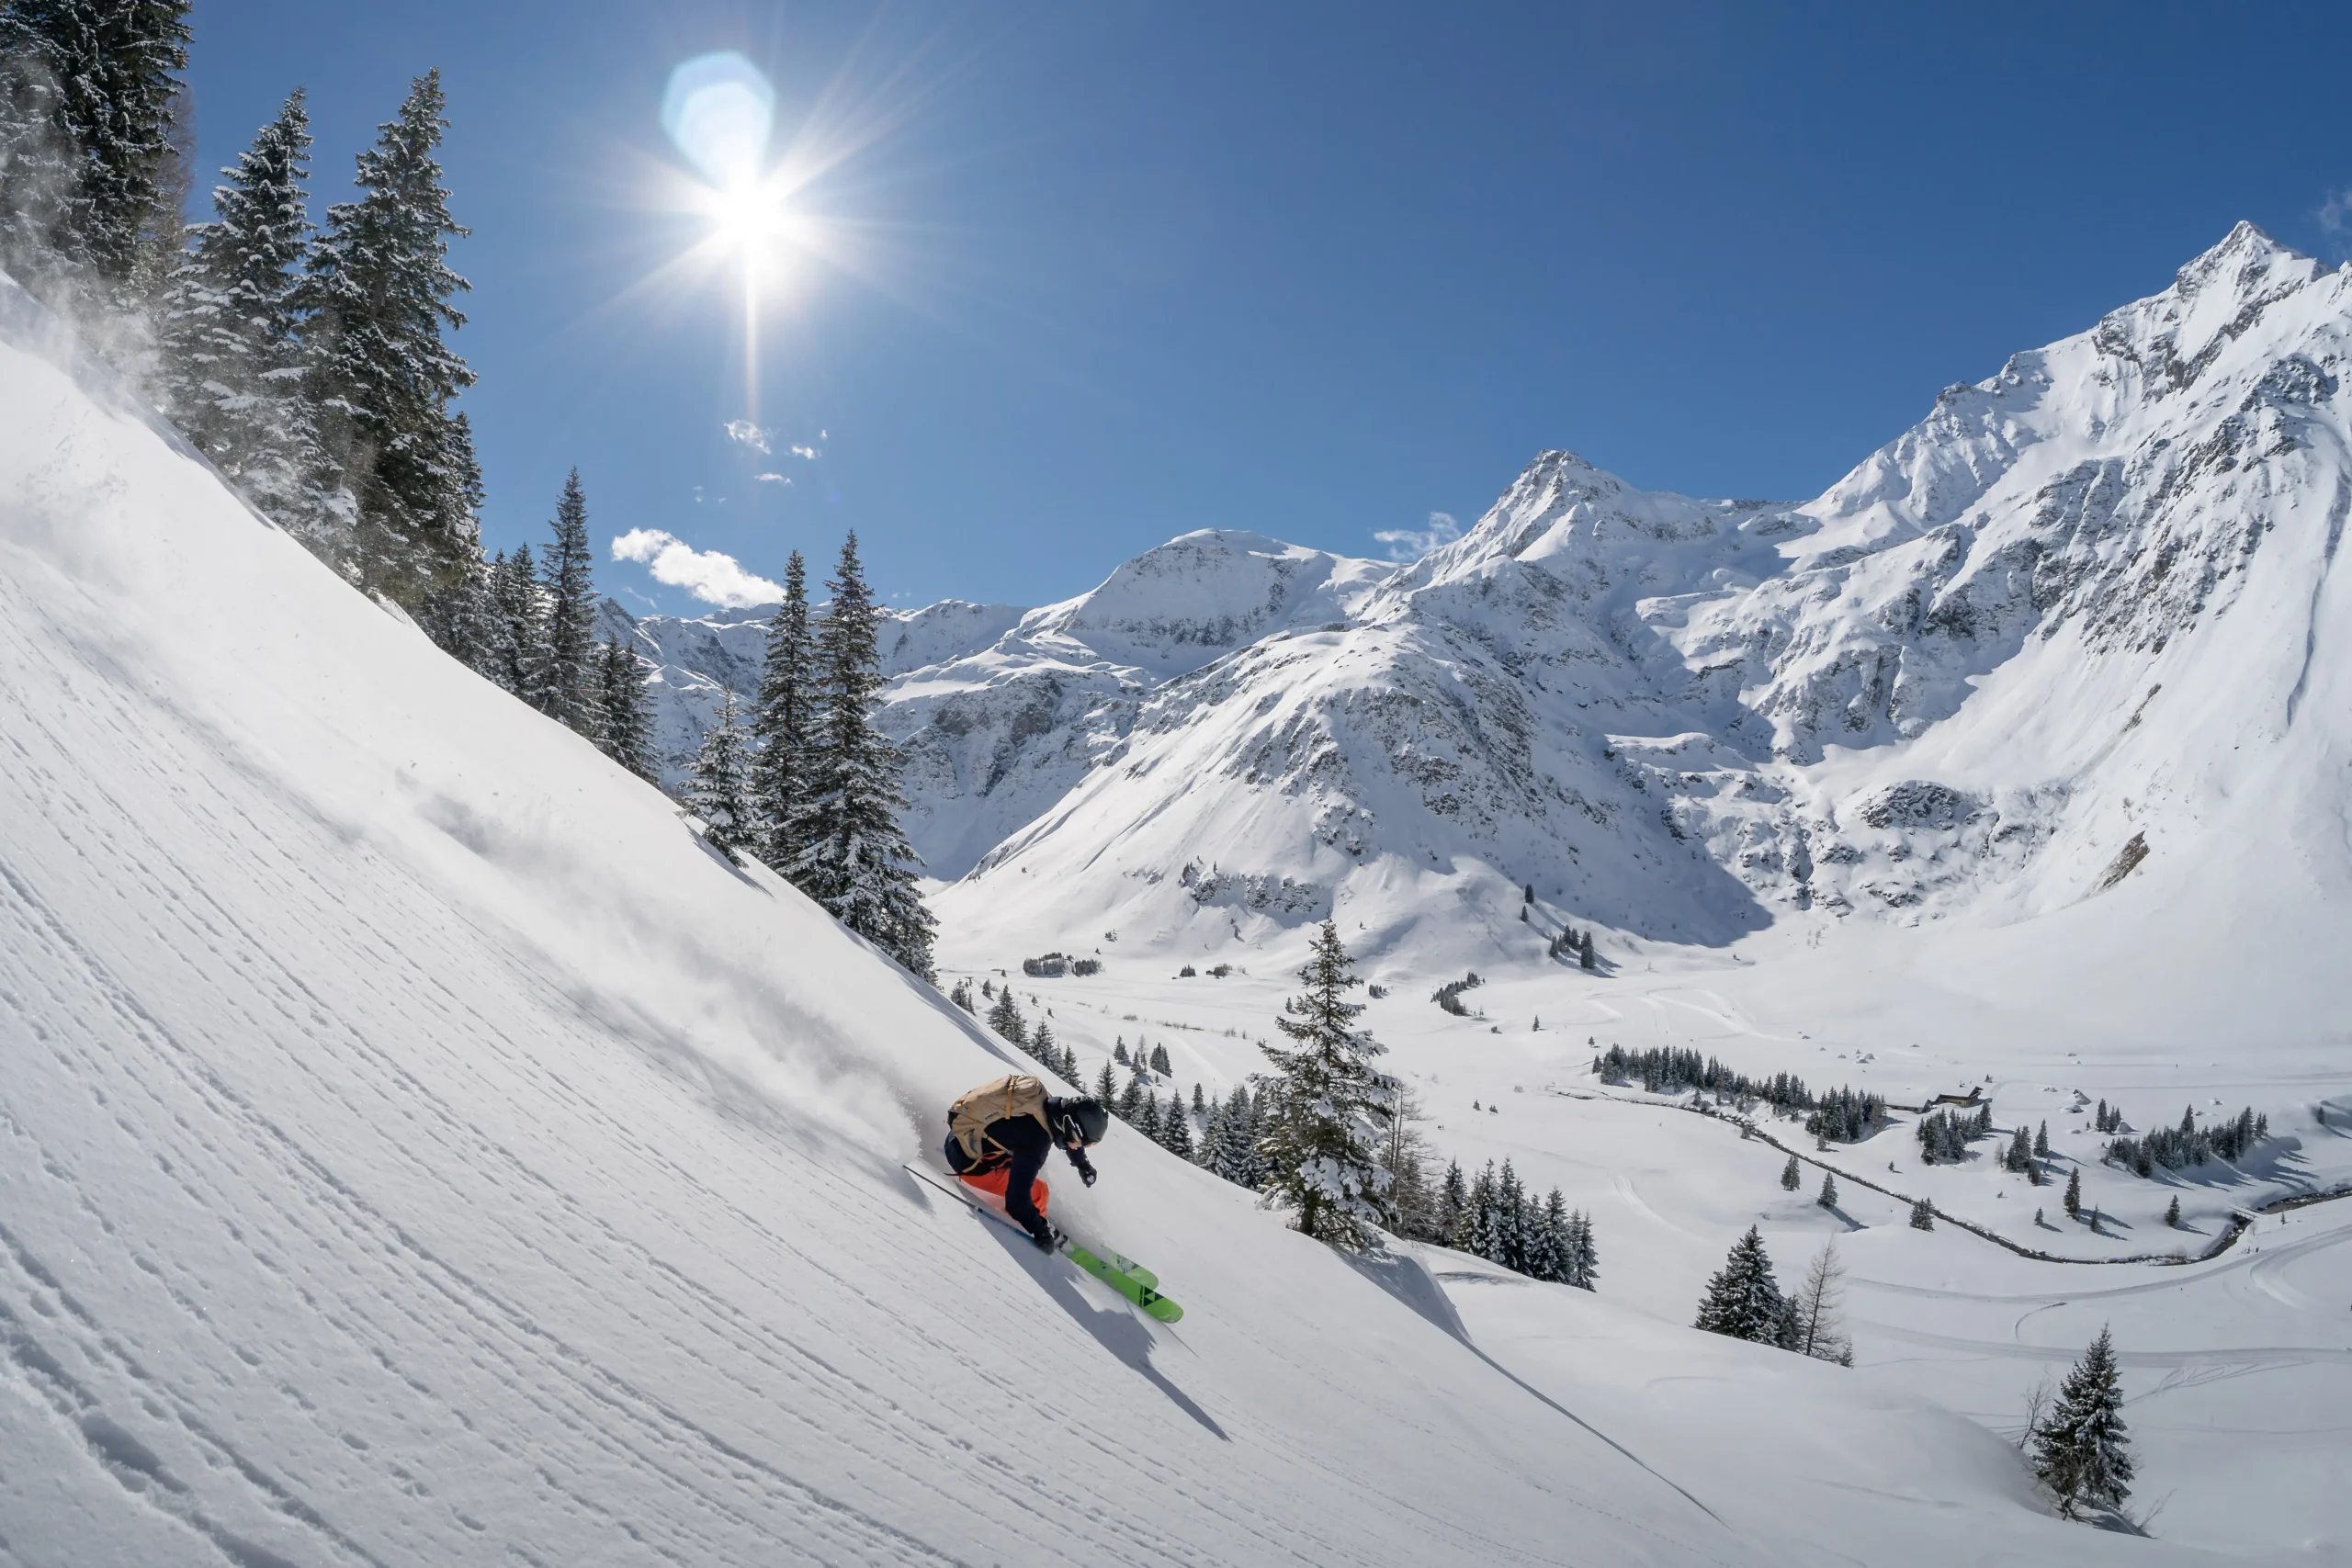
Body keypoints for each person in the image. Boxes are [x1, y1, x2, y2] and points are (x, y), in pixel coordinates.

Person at [944, 1075, 1109, 1251]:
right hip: (969, 1164)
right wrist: (1040, 1231)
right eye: (1084, 1143)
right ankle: (1029, 1226)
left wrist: (1082, 1163)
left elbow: (1066, 1134)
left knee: (1027, 1170)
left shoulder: (1041, 1100)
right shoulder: (1036, 1142)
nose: (1080, 1147)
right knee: (1040, 1192)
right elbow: (1016, 1202)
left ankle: (1033, 1215)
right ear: (1072, 1130)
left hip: (963, 1134)